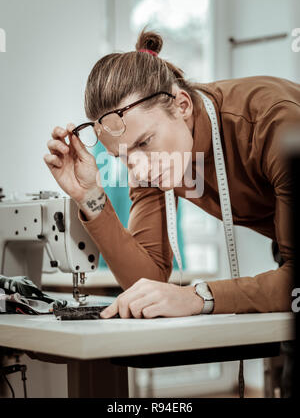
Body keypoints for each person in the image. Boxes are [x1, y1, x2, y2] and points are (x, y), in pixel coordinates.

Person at [44, 28, 300, 322]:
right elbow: (146, 276)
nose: (139, 170)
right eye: (123, 157)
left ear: (182, 105)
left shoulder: (276, 125)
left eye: (144, 142)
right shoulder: (153, 161)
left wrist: (198, 296)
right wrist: (90, 196)